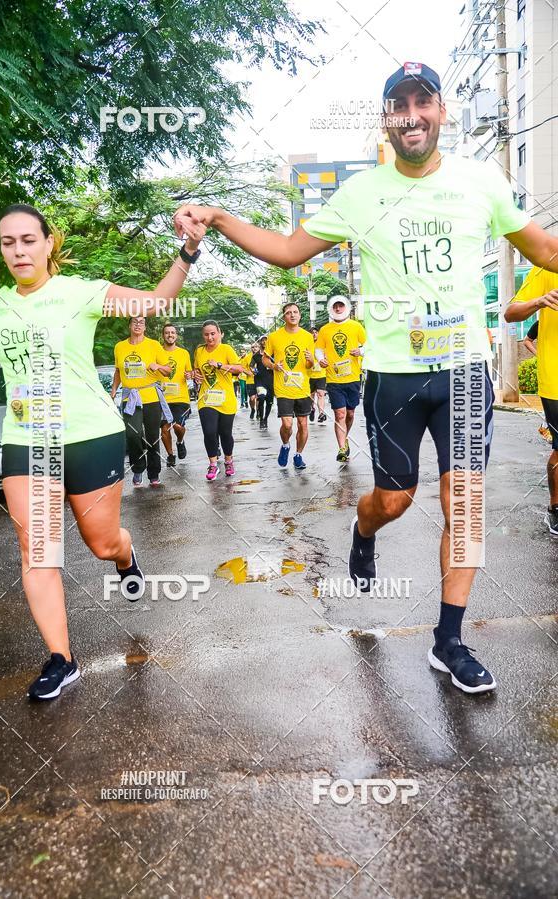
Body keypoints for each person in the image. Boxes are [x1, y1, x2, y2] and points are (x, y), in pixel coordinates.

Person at [174, 61, 558, 694]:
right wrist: (217, 217)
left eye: (423, 100)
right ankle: (363, 530)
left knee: (464, 505)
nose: (412, 113)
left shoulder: (481, 181)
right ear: (387, 117)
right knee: (395, 499)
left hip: (464, 371)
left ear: (441, 111)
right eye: (399, 103)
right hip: (394, 378)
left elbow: (544, 250)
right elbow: (286, 249)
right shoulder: (360, 195)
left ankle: (449, 640)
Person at [0, 203, 203, 700]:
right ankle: (62, 659)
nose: (18, 250)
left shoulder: (81, 292)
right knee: (38, 549)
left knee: (101, 542)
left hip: (91, 434)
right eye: (8, 242)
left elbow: (156, 302)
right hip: (28, 440)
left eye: (29, 239)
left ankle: (125, 553)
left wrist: (189, 250)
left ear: (49, 243)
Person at [505, 271, 558, 537]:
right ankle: (556, 508)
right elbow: (510, 313)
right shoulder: (544, 267)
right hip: (556, 379)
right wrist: (539, 301)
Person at [112, 317, 171, 487]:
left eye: (141, 322)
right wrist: (114, 389)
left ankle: (154, 473)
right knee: (132, 434)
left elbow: (168, 371)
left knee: (152, 437)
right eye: (135, 322)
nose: (138, 325)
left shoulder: (153, 345)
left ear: (145, 327)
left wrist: (158, 367)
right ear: (129, 325)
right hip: (129, 398)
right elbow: (118, 371)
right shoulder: (120, 347)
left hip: (151, 397)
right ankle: (138, 468)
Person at [263, 303, 314, 470]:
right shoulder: (274, 337)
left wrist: (310, 359)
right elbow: (265, 359)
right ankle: (285, 445)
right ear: (283, 317)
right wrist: (273, 366)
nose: (292, 315)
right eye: (288, 313)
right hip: (283, 387)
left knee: (303, 424)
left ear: (300, 315)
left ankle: (298, 455)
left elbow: (309, 366)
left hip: (302, 387)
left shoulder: (307, 337)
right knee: (287, 424)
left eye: (295, 312)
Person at [315, 299, 366, 462]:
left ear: (346, 308)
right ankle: (342, 448)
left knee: (350, 413)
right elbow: (318, 349)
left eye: (341, 306)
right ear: (331, 309)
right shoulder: (325, 329)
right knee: (340, 413)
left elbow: (369, 345)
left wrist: (360, 351)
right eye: (335, 306)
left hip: (352, 377)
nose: (338, 308)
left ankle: (345, 439)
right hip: (333, 378)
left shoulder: (356, 326)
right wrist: (321, 359)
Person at [193, 320, 243, 480]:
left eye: (213, 334)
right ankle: (213, 464)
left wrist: (220, 365)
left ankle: (228, 461)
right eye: (206, 334)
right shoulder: (199, 351)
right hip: (206, 398)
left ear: (220, 333)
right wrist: (196, 376)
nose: (210, 337)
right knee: (209, 432)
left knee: (225, 433)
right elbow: (196, 371)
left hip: (225, 399)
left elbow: (239, 369)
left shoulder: (226, 349)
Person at [159, 323, 193, 466]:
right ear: (163, 335)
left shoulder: (183, 353)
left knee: (178, 426)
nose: (170, 335)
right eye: (167, 333)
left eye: (173, 332)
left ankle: (180, 441)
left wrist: (188, 375)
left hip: (180, 397)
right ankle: (171, 455)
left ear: (176, 335)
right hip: (162, 397)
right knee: (165, 429)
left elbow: (190, 373)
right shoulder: (157, 352)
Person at [253, 335, 275, 429]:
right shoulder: (256, 355)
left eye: (266, 340)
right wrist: (254, 370)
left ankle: (265, 418)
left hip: (271, 381)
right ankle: (261, 419)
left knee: (269, 402)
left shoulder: (273, 354)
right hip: (260, 380)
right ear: (260, 342)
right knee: (261, 398)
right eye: (262, 340)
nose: (264, 342)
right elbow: (251, 365)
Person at [309, 326, 327, 423]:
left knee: (321, 394)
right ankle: (312, 409)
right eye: (312, 332)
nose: (314, 334)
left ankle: (321, 413)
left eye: (316, 332)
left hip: (321, 374)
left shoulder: (323, 345)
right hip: (310, 375)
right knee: (311, 395)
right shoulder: (307, 345)